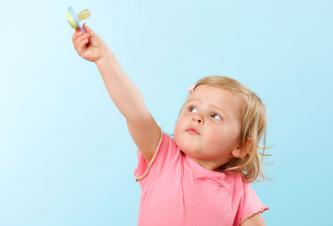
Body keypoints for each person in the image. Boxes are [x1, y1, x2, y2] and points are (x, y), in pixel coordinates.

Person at [72, 23, 269, 226]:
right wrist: (104, 59)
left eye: (215, 116)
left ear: (241, 146)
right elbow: (135, 112)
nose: (197, 117)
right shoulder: (165, 157)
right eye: (192, 108)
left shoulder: (240, 190)